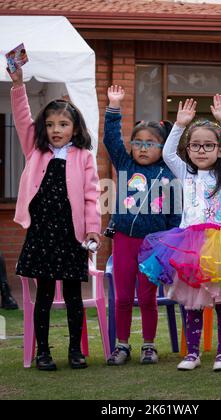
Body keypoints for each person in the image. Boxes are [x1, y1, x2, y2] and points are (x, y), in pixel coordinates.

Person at [139, 96, 221, 372]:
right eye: (195, 145)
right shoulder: (185, 172)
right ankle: (193, 353)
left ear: (220, 150)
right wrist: (179, 125)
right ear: (188, 148)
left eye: (208, 145)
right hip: (189, 246)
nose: (201, 150)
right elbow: (168, 154)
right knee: (192, 303)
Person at [8, 67, 101, 371]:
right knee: (44, 296)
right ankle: (43, 352)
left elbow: (90, 198)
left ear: (75, 128)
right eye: (50, 125)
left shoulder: (84, 157)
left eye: (63, 124)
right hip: (41, 235)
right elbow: (23, 120)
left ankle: (76, 351)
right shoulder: (36, 151)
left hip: (72, 236)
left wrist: (92, 232)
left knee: (74, 296)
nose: (56, 129)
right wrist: (19, 85)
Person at [103, 85, 181, 366]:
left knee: (147, 298)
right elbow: (111, 140)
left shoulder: (170, 171)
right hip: (124, 239)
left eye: (151, 143)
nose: (143, 148)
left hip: (154, 245)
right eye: (138, 142)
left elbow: (175, 215)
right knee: (123, 297)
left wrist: (170, 243)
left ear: (163, 147)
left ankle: (149, 346)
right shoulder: (124, 165)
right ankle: (121, 345)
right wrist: (114, 107)